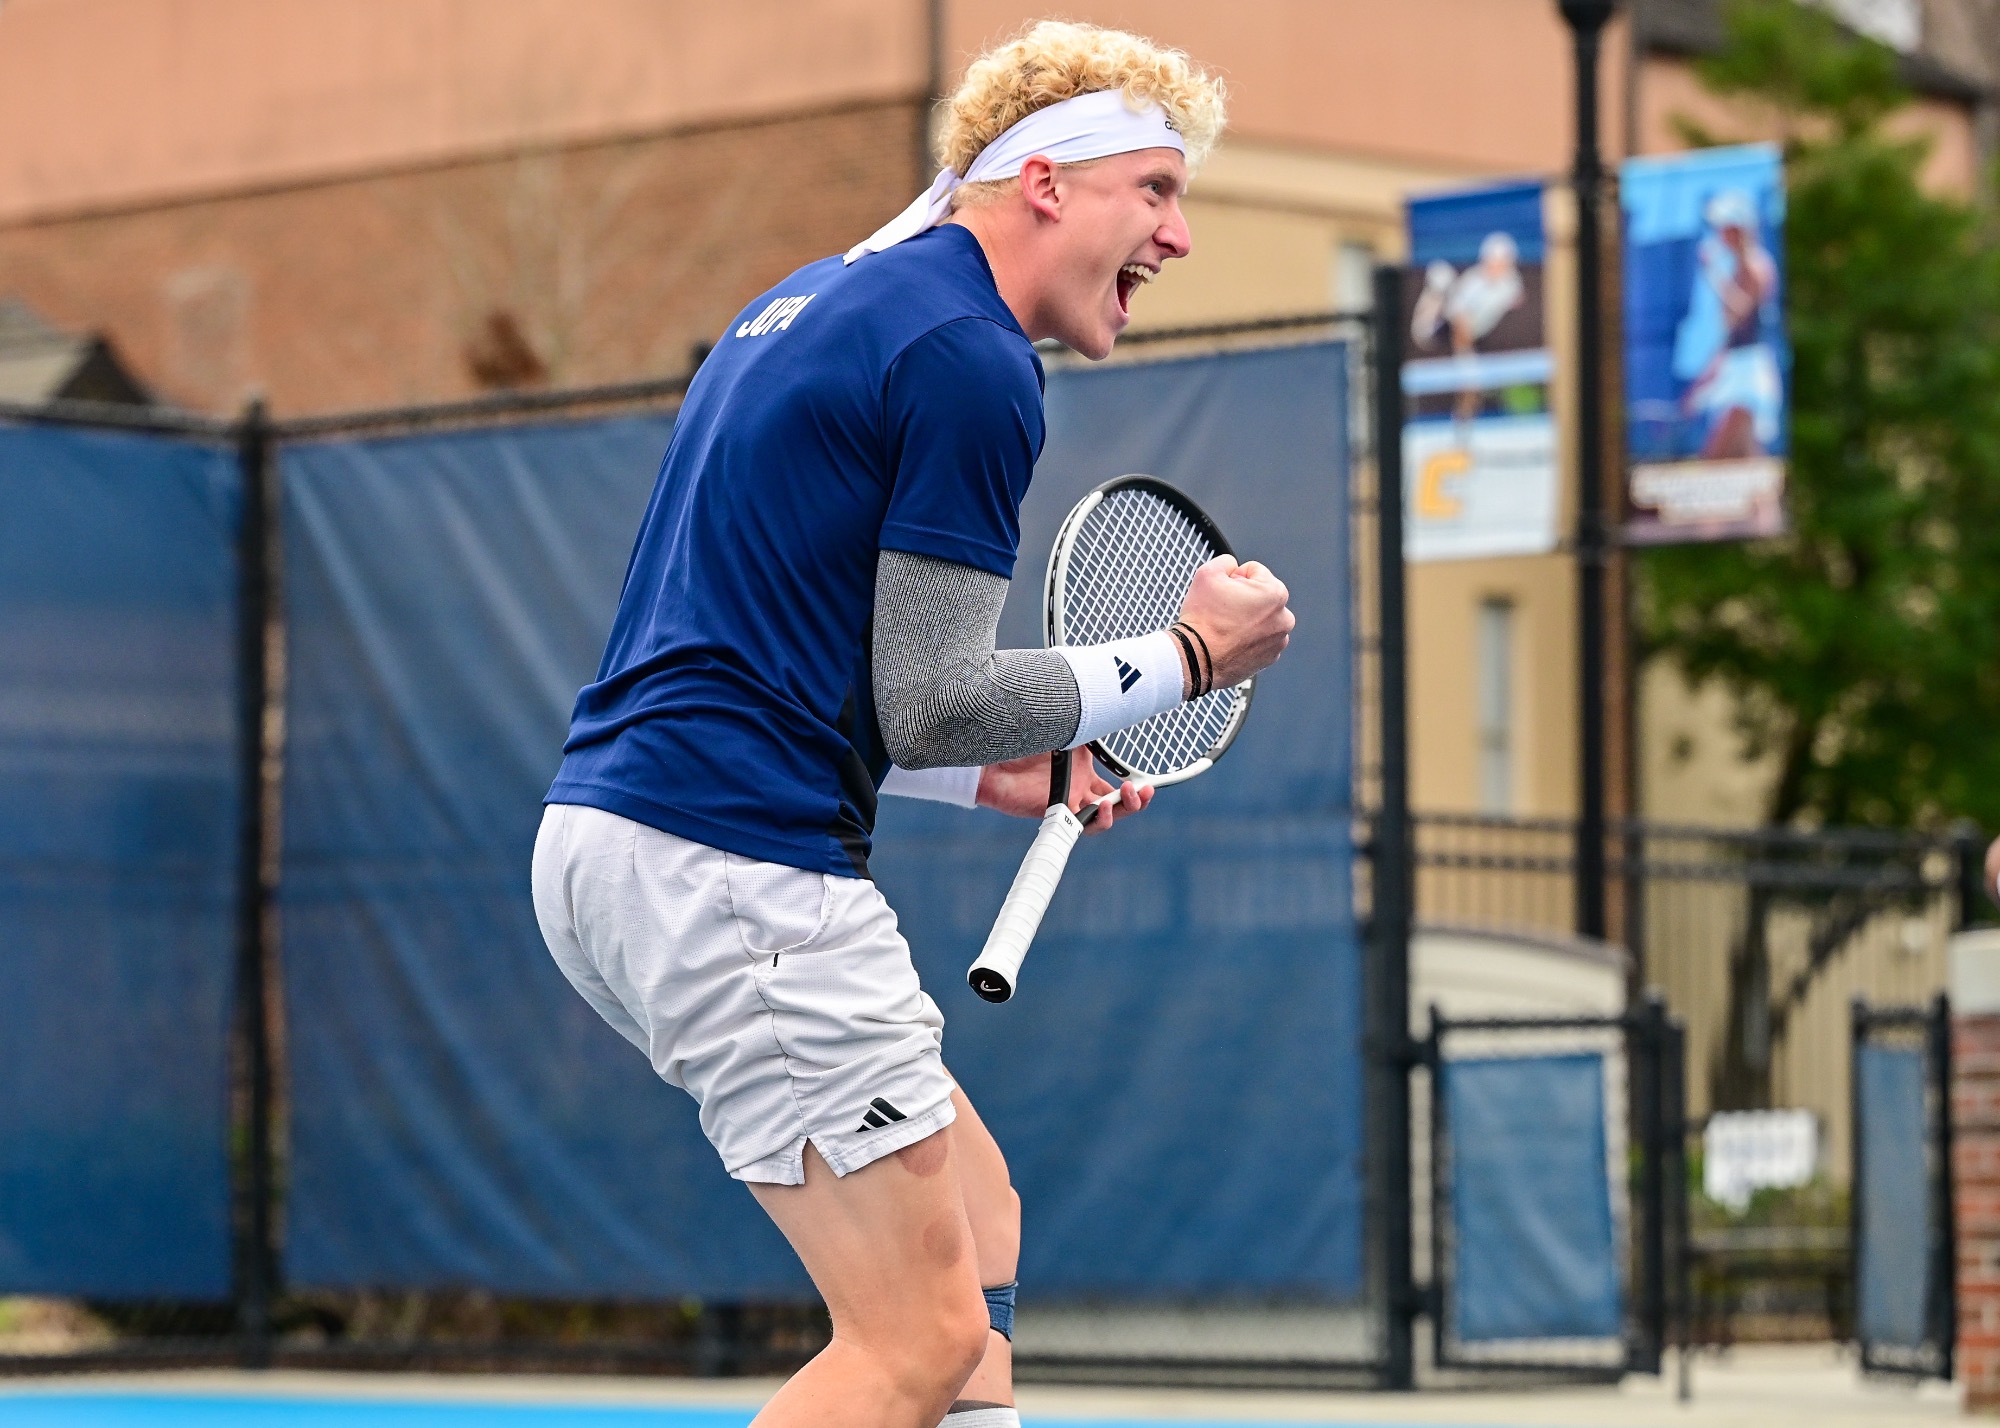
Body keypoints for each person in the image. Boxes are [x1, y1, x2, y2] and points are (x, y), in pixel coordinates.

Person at [530, 21, 1293, 1428]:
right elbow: (935, 699)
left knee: (980, 1214)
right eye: (1157, 191)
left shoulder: (811, 307)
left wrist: (990, 776)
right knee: (919, 1343)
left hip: (624, 839)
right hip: (736, 866)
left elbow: (826, 675)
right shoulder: (970, 359)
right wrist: (1190, 654)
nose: (1178, 237)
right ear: (1048, 184)